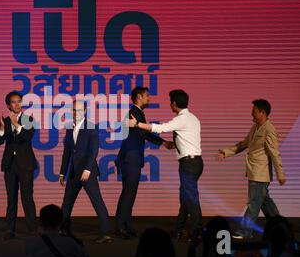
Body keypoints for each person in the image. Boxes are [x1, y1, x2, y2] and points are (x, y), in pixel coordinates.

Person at [128, 89, 203, 242]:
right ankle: (178, 231)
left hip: (189, 163)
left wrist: (137, 123)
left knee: (191, 199)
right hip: (194, 162)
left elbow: (160, 128)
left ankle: (197, 233)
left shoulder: (182, 119)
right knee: (185, 198)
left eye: (170, 102)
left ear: (174, 104)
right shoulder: (192, 118)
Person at [217, 99, 286, 240]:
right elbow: (244, 144)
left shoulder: (269, 130)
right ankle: (282, 228)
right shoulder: (255, 127)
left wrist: (280, 174)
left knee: (254, 203)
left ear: (262, 112)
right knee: (266, 204)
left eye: (254, 111)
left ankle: (245, 231)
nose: (251, 114)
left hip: (260, 173)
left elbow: (275, 153)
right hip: (254, 172)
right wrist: (226, 152)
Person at [115, 87, 171, 239]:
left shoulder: (137, 113)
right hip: (130, 159)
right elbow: (143, 133)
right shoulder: (134, 113)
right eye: (147, 96)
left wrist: (163, 143)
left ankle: (126, 225)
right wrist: (163, 142)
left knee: (129, 194)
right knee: (128, 194)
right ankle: (121, 226)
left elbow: (142, 133)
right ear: (139, 97)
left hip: (131, 159)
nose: (149, 99)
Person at [59, 100, 113, 244]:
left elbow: (93, 150)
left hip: (87, 171)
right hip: (73, 172)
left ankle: (107, 233)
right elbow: (67, 152)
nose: (77, 113)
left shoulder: (91, 126)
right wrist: (62, 172)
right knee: (67, 202)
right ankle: (63, 230)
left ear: (85, 111)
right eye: (74, 110)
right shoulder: (69, 127)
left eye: (80, 110)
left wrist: (88, 169)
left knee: (97, 201)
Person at [0, 91, 37, 240]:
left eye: (19, 101)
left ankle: (32, 230)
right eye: (14, 102)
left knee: (27, 197)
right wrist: (1, 129)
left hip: (25, 165)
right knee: (11, 199)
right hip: (10, 165)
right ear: (8, 105)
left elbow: (27, 136)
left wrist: (16, 124)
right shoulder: (4, 121)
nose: (17, 104)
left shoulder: (29, 119)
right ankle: (9, 230)